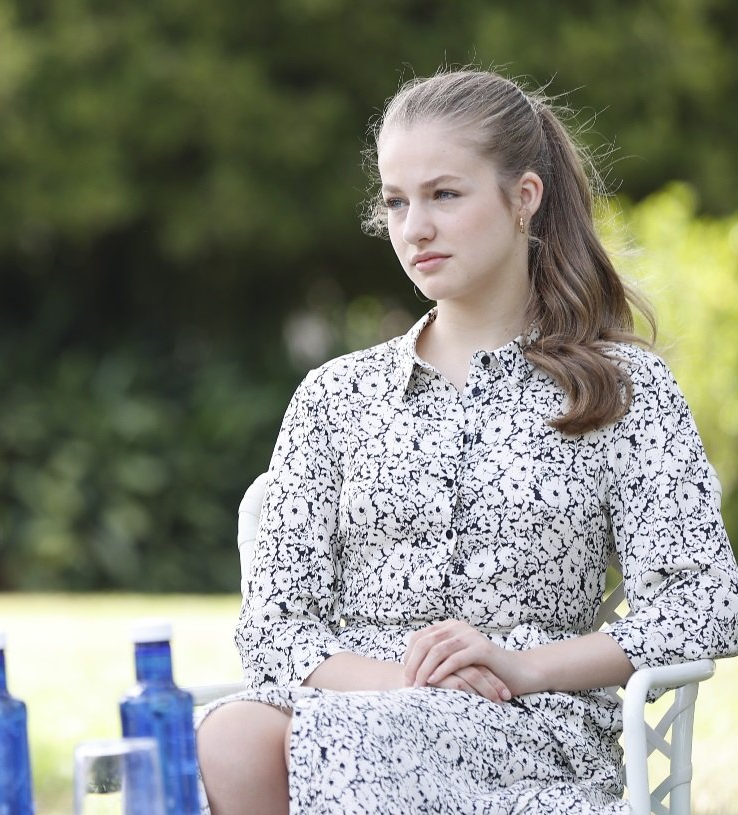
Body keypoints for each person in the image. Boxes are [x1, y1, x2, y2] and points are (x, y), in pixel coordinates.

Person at [196, 68, 738, 813]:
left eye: (443, 195)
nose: (413, 227)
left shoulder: (619, 388)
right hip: (353, 707)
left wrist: (522, 667)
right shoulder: (333, 397)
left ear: (523, 198)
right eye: (395, 201)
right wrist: (399, 684)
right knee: (226, 734)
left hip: (527, 726)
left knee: (333, 742)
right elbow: (274, 629)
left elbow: (703, 601)